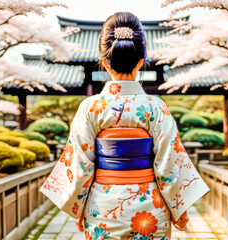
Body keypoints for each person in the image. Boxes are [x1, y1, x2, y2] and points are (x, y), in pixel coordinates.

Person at [40, 12, 210, 240]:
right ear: (141, 61)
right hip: (150, 211)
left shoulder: (90, 108)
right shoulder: (156, 107)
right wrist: (179, 208)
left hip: (102, 210)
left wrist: (78, 208)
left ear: (104, 61)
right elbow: (169, 163)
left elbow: (80, 167)